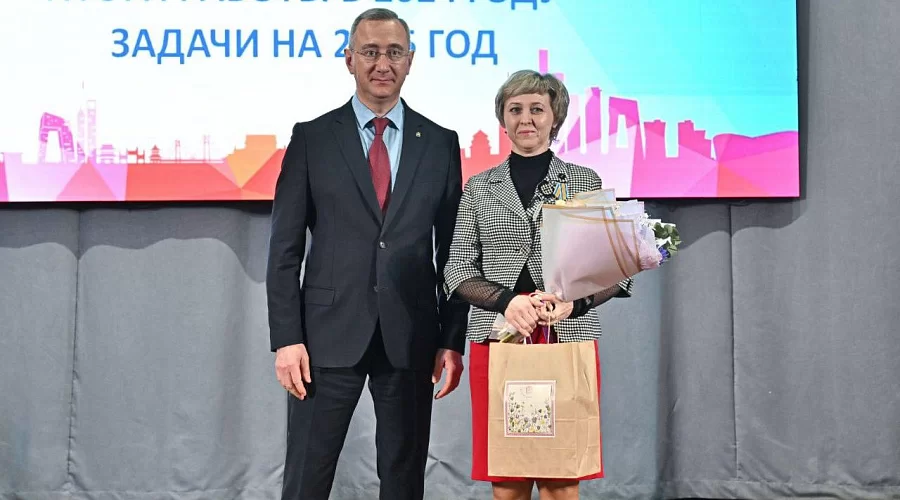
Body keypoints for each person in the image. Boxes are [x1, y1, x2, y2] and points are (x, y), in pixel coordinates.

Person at [265, 8, 469, 500]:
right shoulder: (312, 138)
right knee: (306, 478)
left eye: (394, 52)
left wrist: (451, 338)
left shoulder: (441, 144)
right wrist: (287, 339)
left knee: (403, 481)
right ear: (349, 59)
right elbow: (284, 250)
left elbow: (455, 253)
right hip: (324, 337)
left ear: (410, 61)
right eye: (371, 51)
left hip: (411, 336)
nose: (383, 63)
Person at [442, 70, 634, 500]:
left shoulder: (584, 181)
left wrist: (573, 305)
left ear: (555, 117)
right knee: (507, 479)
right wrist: (507, 302)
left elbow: (614, 270)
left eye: (536, 109)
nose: (525, 118)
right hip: (498, 339)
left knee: (561, 479)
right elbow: (456, 270)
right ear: (503, 119)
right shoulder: (479, 187)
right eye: (515, 109)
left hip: (566, 337)